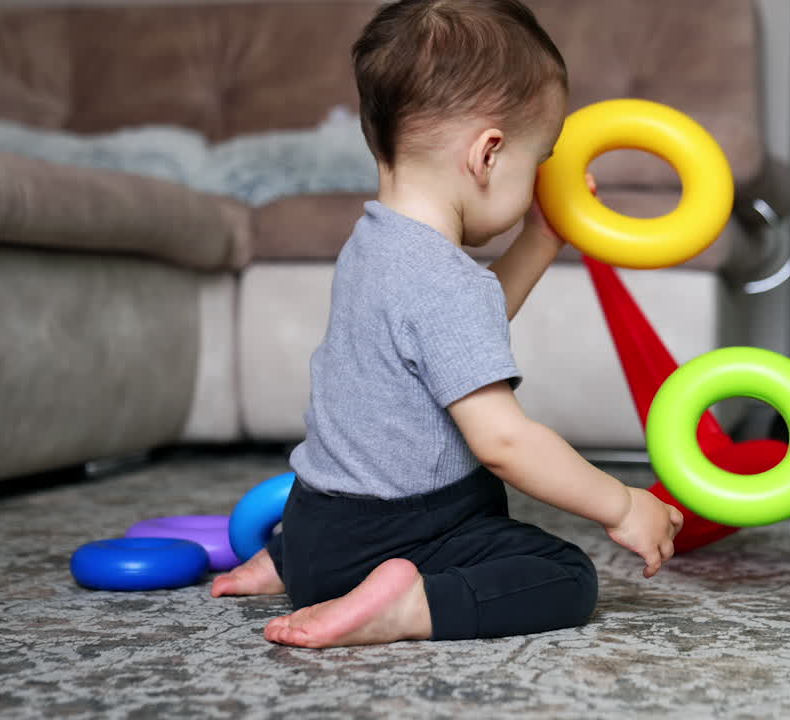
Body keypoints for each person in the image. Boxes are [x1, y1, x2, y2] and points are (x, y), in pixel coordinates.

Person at [211, 0, 683, 648]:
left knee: (369, 479)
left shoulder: (374, 242)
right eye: (536, 159)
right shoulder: (444, 283)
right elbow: (505, 446)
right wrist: (621, 505)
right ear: (488, 155)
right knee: (567, 576)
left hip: (317, 525)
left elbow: (460, 340)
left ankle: (289, 563)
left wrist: (540, 242)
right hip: (395, 541)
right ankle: (406, 608)